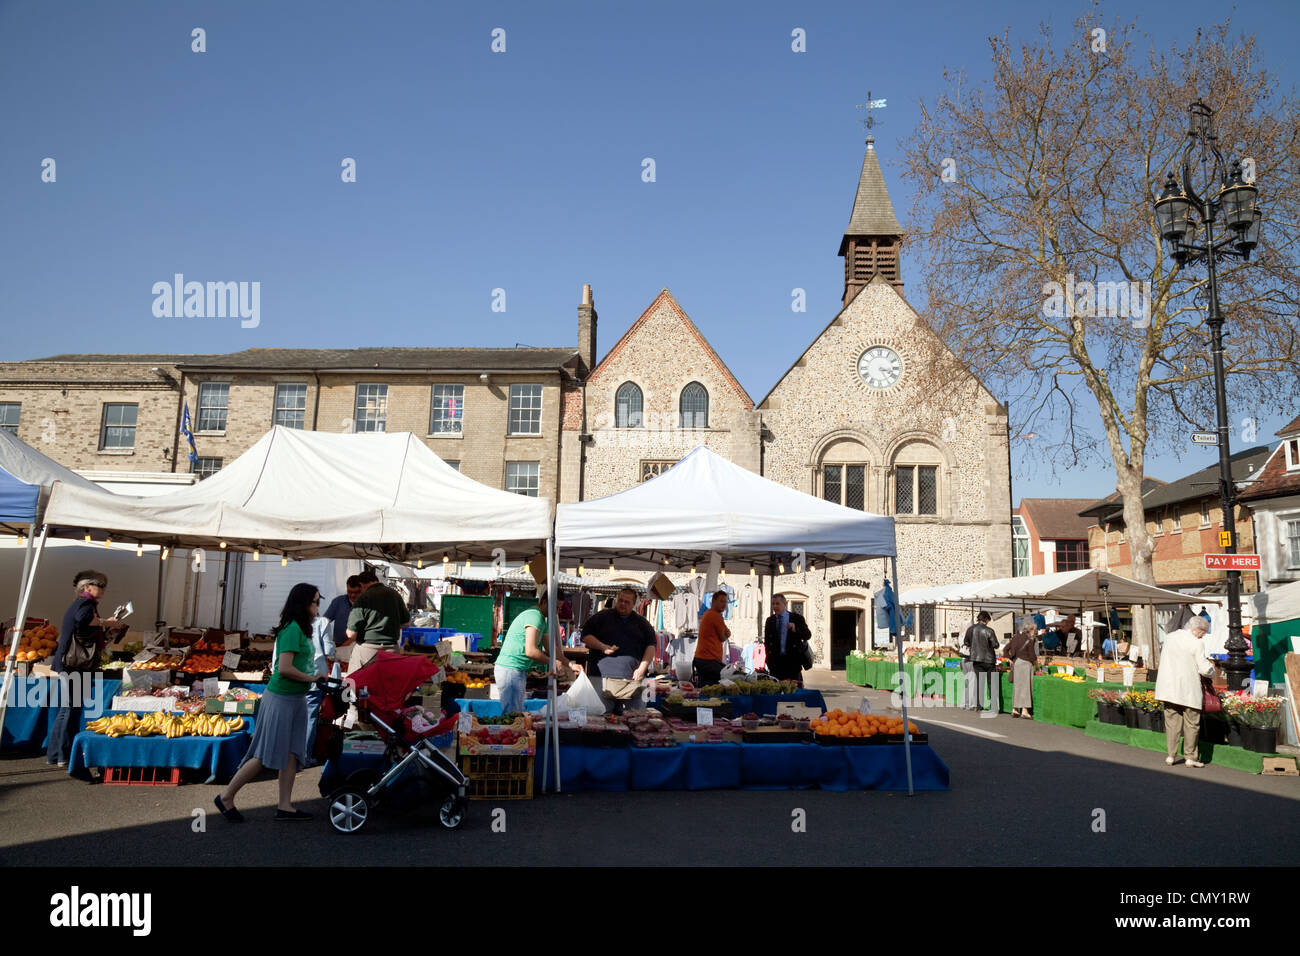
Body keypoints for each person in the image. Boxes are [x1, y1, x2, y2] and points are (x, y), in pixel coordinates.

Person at [215, 583, 326, 822]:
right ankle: (226, 796)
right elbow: (284, 668)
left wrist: (315, 678)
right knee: (265, 754)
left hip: (296, 698)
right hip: (281, 699)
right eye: (315, 601)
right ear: (303, 603)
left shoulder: (302, 628)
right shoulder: (292, 629)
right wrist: (312, 678)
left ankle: (285, 806)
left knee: (291, 753)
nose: (318, 606)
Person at [47, 571, 119, 767]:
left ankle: (57, 753)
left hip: (74, 664)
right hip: (74, 665)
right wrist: (106, 622)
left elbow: (85, 628)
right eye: (99, 585)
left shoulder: (85, 604)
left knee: (69, 708)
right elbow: (81, 620)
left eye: (104, 585)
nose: (103, 588)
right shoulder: (85, 604)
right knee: (69, 708)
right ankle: (62, 754)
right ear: (87, 587)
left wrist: (107, 626)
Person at [495, 594, 573, 714]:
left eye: (559, 608)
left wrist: (570, 664)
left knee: (515, 714)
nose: (557, 612)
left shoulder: (542, 620)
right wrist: (552, 662)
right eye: (555, 607)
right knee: (512, 716)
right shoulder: (534, 616)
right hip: (510, 670)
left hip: (517, 671)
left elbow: (551, 649)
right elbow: (530, 651)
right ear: (543, 602)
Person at [1155, 615, 1214, 768]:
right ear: (1197, 630)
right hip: (1189, 689)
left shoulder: (1169, 638)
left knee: (1172, 724)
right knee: (1192, 724)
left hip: (1168, 688)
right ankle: (1190, 757)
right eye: (1203, 633)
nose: (1203, 636)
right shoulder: (1197, 643)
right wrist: (1212, 670)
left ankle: (1170, 756)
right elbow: (1204, 668)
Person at [581, 587, 657, 681]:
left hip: (630, 679)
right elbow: (585, 636)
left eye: (627, 602)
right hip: (599, 677)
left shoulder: (642, 623)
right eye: (620, 600)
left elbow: (651, 645)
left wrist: (641, 669)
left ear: (633, 604)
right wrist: (602, 646)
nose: (622, 604)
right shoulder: (601, 617)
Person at [345, 567, 410, 674]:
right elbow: (406, 623)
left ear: (361, 585)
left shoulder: (363, 598)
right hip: (392, 651)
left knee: (358, 685)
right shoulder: (395, 594)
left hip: (367, 652)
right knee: (388, 686)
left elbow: (351, 634)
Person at [302, 609, 337, 767]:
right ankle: (305, 756)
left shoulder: (292, 624)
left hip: (295, 676)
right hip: (315, 676)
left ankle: (289, 755)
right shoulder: (322, 622)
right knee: (310, 717)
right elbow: (329, 651)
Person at [763, 593, 812, 682]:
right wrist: (768, 661)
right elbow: (767, 642)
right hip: (775, 665)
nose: (775, 606)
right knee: (776, 693)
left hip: (792, 664)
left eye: (777, 603)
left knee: (794, 693)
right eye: (773, 604)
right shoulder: (770, 621)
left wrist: (795, 629)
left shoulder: (796, 618)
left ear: (785, 604)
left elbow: (808, 635)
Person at [963, 611, 1000, 713]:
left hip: (976, 659)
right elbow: (995, 644)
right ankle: (993, 706)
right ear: (986, 619)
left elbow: (966, 642)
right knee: (991, 683)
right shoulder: (989, 630)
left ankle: (979, 705)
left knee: (980, 682)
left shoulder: (970, 629)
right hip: (989, 660)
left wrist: (973, 645)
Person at [694, 590, 730, 685]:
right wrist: (727, 634)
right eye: (721, 601)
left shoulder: (708, 613)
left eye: (725, 602)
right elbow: (723, 637)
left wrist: (726, 633)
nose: (724, 604)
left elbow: (725, 633)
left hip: (702, 659)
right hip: (709, 660)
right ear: (713, 601)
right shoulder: (715, 616)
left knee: (705, 689)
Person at [1004, 619, 1038, 718]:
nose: (1034, 632)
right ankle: (1024, 710)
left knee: (1017, 686)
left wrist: (1010, 659)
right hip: (1026, 664)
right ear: (1030, 629)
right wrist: (1038, 667)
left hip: (1016, 664)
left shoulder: (1015, 637)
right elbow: (1032, 656)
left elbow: (1005, 649)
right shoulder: (1029, 639)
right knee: (1026, 687)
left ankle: (1014, 709)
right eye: (1034, 630)